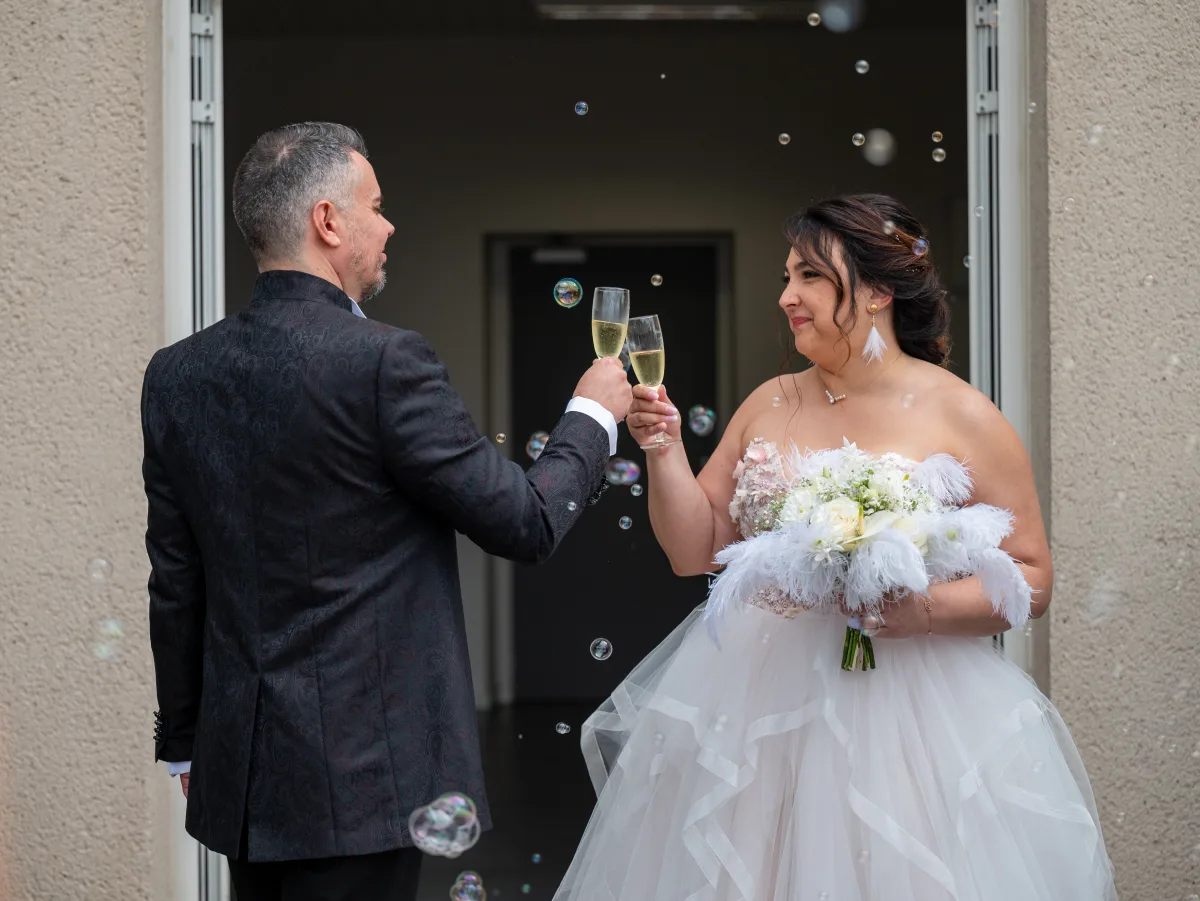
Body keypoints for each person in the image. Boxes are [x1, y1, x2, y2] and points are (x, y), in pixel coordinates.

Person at [554, 195, 1117, 901]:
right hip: (754, 713)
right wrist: (662, 447)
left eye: (811, 277)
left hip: (911, 723)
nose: (787, 296)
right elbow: (693, 550)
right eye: (787, 276)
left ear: (879, 290)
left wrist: (925, 610)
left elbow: (1032, 577)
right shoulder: (770, 401)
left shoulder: (964, 415)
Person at [143, 122, 632, 901]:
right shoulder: (384, 362)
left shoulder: (176, 373)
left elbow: (176, 578)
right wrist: (591, 414)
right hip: (363, 777)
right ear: (328, 222)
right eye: (376, 205)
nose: (390, 224)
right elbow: (525, 521)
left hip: (242, 777)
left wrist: (185, 745)